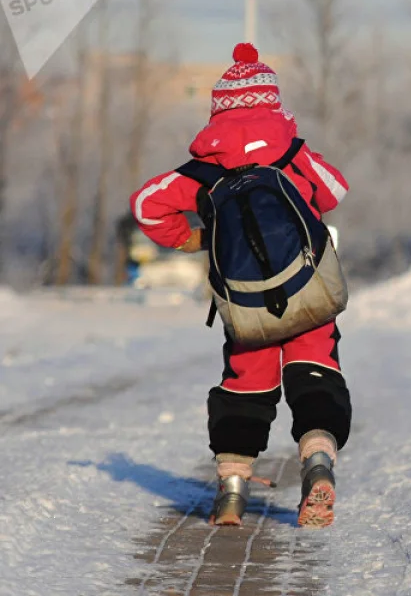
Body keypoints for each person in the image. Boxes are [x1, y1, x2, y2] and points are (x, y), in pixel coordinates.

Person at [128, 43, 351, 528]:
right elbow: (335, 190)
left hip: (246, 306)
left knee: (246, 385)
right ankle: (317, 465)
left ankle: (231, 493)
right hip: (309, 292)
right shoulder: (293, 152)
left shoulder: (205, 169)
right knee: (316, 374)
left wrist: (191, 239)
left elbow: (146, 204)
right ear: (272, 104)